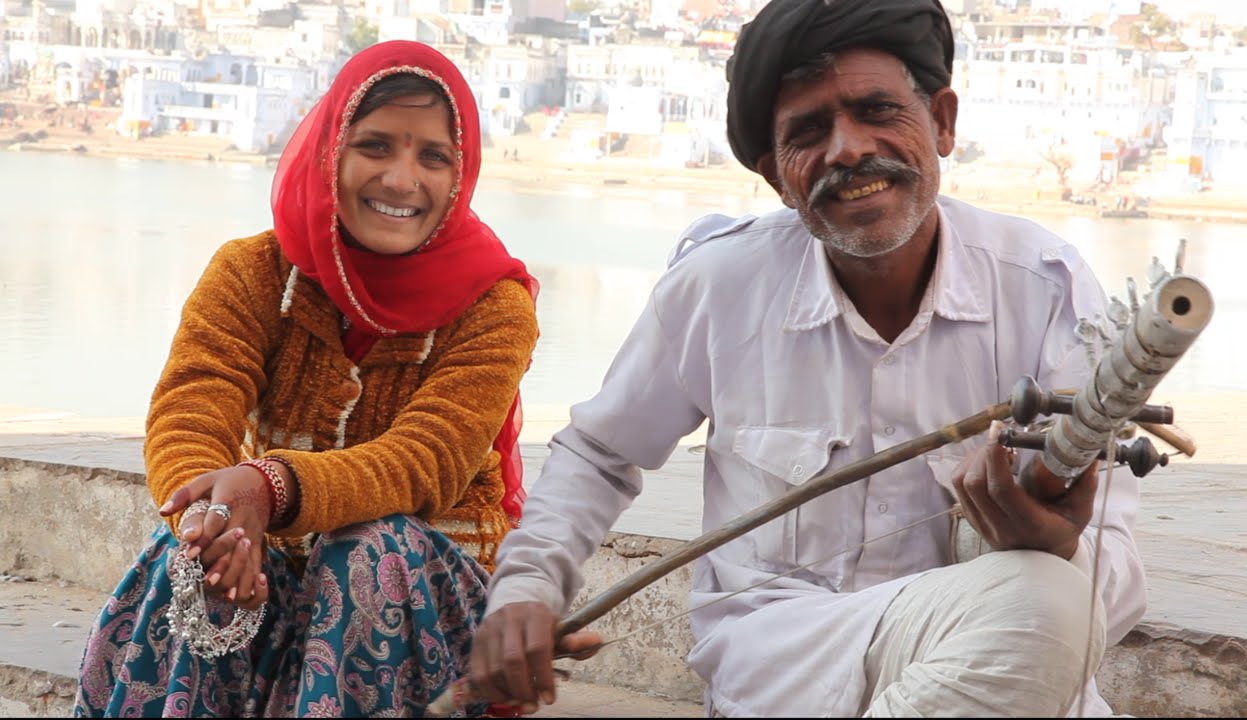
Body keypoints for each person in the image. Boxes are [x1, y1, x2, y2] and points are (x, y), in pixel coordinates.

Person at [470, 0, 1146, 717]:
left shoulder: (1042, 285)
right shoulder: (719, 285)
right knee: (1042, 607)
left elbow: (1115, 578)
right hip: (786, 659)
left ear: (942, 122)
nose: (848, 149)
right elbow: (601, 453)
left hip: (982, 651)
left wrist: (1059, 544)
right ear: (775, 176)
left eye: (877, 109)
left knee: (1051, 599)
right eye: (809, 131)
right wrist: (526, 589)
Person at [73, 40, 539, 718]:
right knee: (186, 557)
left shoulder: (495, 306)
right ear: (331, 154)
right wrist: (216, 526)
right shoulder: (252, 272)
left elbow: (425, 463)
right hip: (272, 569)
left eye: (433, 156)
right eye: (375, 146)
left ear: (458, 176)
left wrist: (272, 487)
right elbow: (192, 405)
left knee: (367, 549)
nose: (403, 180)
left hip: (426, 600)